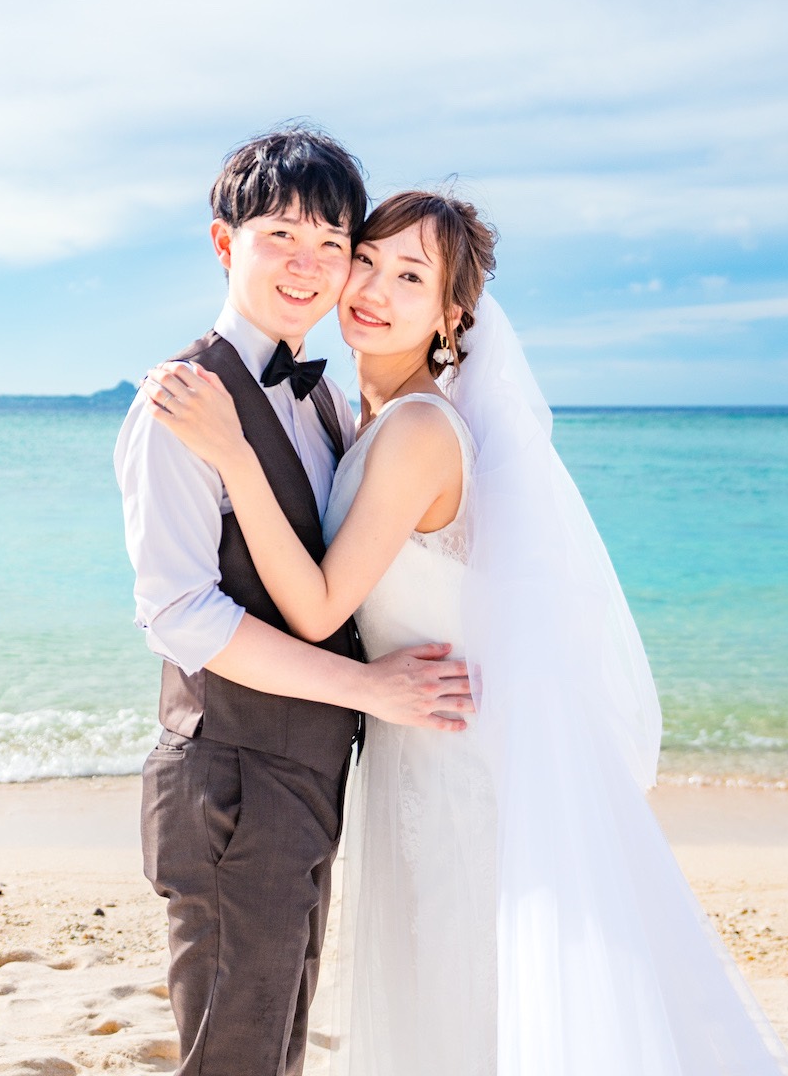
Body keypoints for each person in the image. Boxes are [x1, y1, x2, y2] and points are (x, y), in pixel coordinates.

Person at [145, 190, 788, 1075]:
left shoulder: (417, 428)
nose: (373, 289)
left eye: (411, 277)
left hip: (452, 761)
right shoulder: (352, 414)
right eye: (366, 260)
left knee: (463, 1007)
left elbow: (320, 609)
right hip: (406, 747)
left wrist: (234, 453)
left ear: (452, 317)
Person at [113, 130, 475, 1076]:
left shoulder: (324, 404)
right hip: (230, 779)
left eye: (331, 243)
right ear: (225, 244)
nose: (308, 266)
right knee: (235, 1057)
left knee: (277, 1051)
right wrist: (370, 690)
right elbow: (182, 616)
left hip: (308, 778)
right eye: (280, 236)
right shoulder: (180, 405)